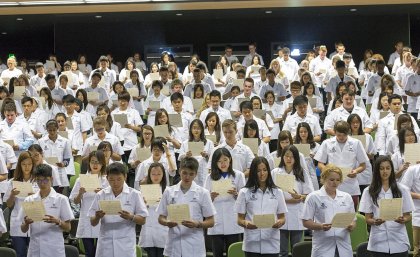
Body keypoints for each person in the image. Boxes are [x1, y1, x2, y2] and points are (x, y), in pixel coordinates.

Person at [157, 156, 216, 257]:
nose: (187, 177)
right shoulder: (169, 191)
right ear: (179, 171)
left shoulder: (203, 193)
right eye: (184, 173)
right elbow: (161, 217)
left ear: (196, 174)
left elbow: (211, 221)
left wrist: (198, 224)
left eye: (191, 174)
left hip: (194, 245)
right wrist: (167, 222)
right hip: (173, 244)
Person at [89, 162, 148, 257]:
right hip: (105, 244)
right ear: (107, 178)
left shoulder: (134, 194)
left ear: (125, 177)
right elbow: (92, 222)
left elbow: (143, 220)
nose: (115, 183)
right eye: (111, 180)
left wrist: (131, 217)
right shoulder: (101, 195)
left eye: (119, 179)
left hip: (125, 244)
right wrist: (97, 217)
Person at [360, 156, 414, 257]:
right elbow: (367, 219)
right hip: (378, 242)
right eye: (381, 168)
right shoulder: (368, 191)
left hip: (399, 240)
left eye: (388, 168)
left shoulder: (402, 189)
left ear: (392, 170)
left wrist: (403, 219)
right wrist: (375, 221)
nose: (385, 171)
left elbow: (408, 215)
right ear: (376, 170)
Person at [235, 157, 287, 257]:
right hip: (252, 244)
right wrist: (246, 223)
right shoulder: (244, 192)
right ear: (253, 172)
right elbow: (239, 219)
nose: (262, 173)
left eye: (264, 170)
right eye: (258, 171)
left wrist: (280, 222)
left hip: (271, 243)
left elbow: (282, 217)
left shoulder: (277, 192)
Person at [19, 164, 74, 257]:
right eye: (39, 180)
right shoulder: (29, 200)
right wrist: (26, 223)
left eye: (45, 180)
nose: (42, 183)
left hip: (54, 249)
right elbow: (23, 229)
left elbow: (68, 227)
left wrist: (58, 222)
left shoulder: (61, 199)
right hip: (35, 248)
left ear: (51, 179)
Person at [302, 165, 356, 257]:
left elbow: (353, 220)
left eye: (338, 180)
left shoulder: (346, 197)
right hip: (323, 246)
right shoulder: (313, 197)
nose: (335, 183)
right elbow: (306, 221)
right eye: (331, 180)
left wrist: (351, 226)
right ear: (324, 178)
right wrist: (320, 226)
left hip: (343, 245)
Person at [315, 120, 369, 209]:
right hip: (331, 184)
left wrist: (355, 171)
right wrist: (327, 171)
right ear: (334, 132)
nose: (341, 137)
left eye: (344, 135)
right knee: (330, 213)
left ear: (348, 132)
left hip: (350, 185)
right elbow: (320, 163)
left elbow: (363, 165)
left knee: (350, 215)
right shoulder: (327, 143)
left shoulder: (356, 143)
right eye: (339, 135)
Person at [271, 145, 314, 257]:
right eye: (286, 156)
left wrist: (299, 196)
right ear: (282, 157)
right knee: (282, 251)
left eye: (292, 156)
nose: (289, 159)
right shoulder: (275, 172)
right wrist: (283, 200)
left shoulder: (302, 172)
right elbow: (269, 193)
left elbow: (309, 194)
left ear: (296, 158)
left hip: (297, 213)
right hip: (280, 213)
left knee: (297, 250)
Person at [204, 148, 245, 257]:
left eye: (225, 160)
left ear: (230, 160)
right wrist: (210, 197)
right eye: (219, 161)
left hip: (233, 219)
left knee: (233, 252)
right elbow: (204, 201)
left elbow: (245, 199)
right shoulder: (210, 177)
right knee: (217, 253)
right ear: (215, 163)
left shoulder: (239, 175)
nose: (223, 164)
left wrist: (237, 194)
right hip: (217, 219)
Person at [5, 152, 38, 257]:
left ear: (33, 165)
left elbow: (45, 203)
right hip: (18, 223)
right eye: (24, 164)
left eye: (29, 164)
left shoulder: (38, 181)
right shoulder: (12, 182)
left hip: (35, 223)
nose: (27, 167)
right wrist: (12, 195)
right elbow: (9, 205)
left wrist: (35, 196)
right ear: (19, 165)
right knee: (20, 254)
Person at [138, 163, 168, 257]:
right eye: (153, 174)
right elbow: (138, 212)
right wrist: (143, 205)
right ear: (149, 175)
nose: (156, 176)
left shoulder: (169, 191)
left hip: (163, 230)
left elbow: (172, 211)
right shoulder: (142, 191)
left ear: (163, 175)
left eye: (159, 174)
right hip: (149, 228)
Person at [178, 119, 214, 186]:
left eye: (198, 128)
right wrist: (186, 156)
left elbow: (213, 159)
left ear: (202, 130)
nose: (196, 130)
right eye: (194, 128)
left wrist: (206, 155)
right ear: (191, 129)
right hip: (190, 172)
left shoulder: (209, 143)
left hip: (204, 172)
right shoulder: (185, 143)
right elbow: (180, 159)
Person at [401, 162, 420, 257]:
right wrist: (418, 196)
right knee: (417, 250)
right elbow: (403, 190)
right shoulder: (413, 169)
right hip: (418, 214)